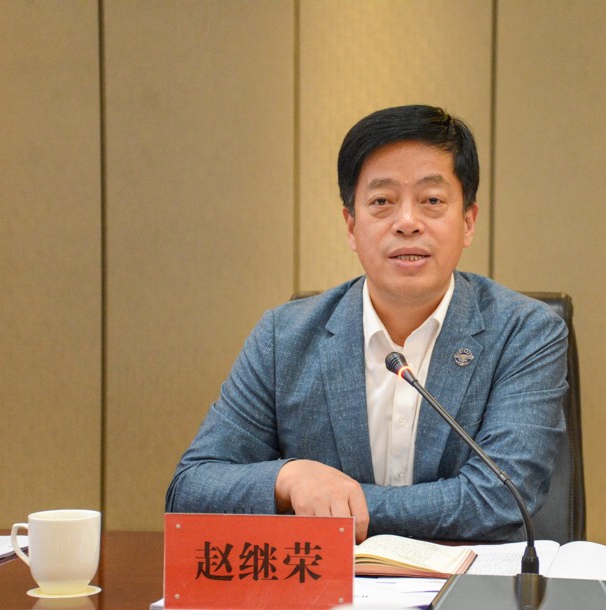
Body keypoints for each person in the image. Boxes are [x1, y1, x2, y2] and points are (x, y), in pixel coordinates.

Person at [166, 105, 567, 544]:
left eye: (432, 201)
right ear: (351, 226)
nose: (407, 223)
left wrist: (338, 508)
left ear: (468, 222)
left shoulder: (525, 332)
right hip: (328, 582)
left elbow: (500, 498)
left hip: (468, 581)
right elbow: (192, 489)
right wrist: (290, 478)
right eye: (382, 202)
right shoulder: (283, 338)